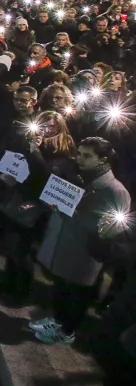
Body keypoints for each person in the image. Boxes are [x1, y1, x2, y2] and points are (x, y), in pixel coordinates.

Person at [32, 137, 132, 345]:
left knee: (76, 295)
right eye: (79, 153)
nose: (80, 159)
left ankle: (67, 331)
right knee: (61, 287)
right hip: (66, 242)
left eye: (87, 156)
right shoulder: (78, 177)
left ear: (103, 160)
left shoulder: (115, 190)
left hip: (87, 251)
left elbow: (114, 227)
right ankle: (57, 320)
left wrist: (72, 214)